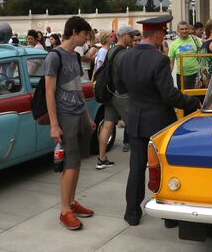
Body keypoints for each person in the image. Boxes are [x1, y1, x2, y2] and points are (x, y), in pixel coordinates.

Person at [116, 15, 200, 226]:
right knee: (162, 169)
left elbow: (121, 88)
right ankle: (169, 218)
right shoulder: (158, 59)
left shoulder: (124, 57)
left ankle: (132, 213)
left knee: (136, 168)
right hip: (159, 122)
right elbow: (169, 95)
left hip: (135, 119)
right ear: (159, 34)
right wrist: (192, 102)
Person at [44, 16, 96, 231]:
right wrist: (54, 125)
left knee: (77, 163)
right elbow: (50, 92)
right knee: (71, 164)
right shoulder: (54, 57)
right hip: (65, 116)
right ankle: (65, 210)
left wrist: (87, 118)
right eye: (85, 35)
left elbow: (77, 89)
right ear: (74, 31)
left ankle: (72, 202)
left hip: (78, 114)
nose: (86, 39)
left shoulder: (74, 56)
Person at [96, 25, 138, 170]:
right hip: (121, 93)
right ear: (123, 35)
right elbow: (127, 75)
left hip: (110, 92)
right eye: (131, 36)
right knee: (135, 124)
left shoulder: (111, 51)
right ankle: (141, 158)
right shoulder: (124, 53)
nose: (132, 39)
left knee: (108, 124)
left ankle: (101, 158)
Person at [169, 21, 202, 90]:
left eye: (186, 29)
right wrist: (168, 76)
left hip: (196, 75)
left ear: (189, 29)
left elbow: (206, 49)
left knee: (196, 98)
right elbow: (171, 63)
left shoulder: (196, 40)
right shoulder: (173, 44)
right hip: (181, 76)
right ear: (178, 31)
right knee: (184, 98)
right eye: (182, 29)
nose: (184, 31)